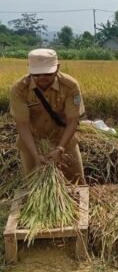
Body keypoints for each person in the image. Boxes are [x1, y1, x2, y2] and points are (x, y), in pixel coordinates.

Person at [9, 49, 86, 184]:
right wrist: (35, 155)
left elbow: (72, 120)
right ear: (29, 69)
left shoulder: (70, 86)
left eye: (48, 73)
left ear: (57, 68)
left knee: (76, 182)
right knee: (33, 183)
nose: (42, 78)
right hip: (32, 141)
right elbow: (22, 124)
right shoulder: (19, 89)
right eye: (37, 74)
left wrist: (60, 149)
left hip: (63, 139)